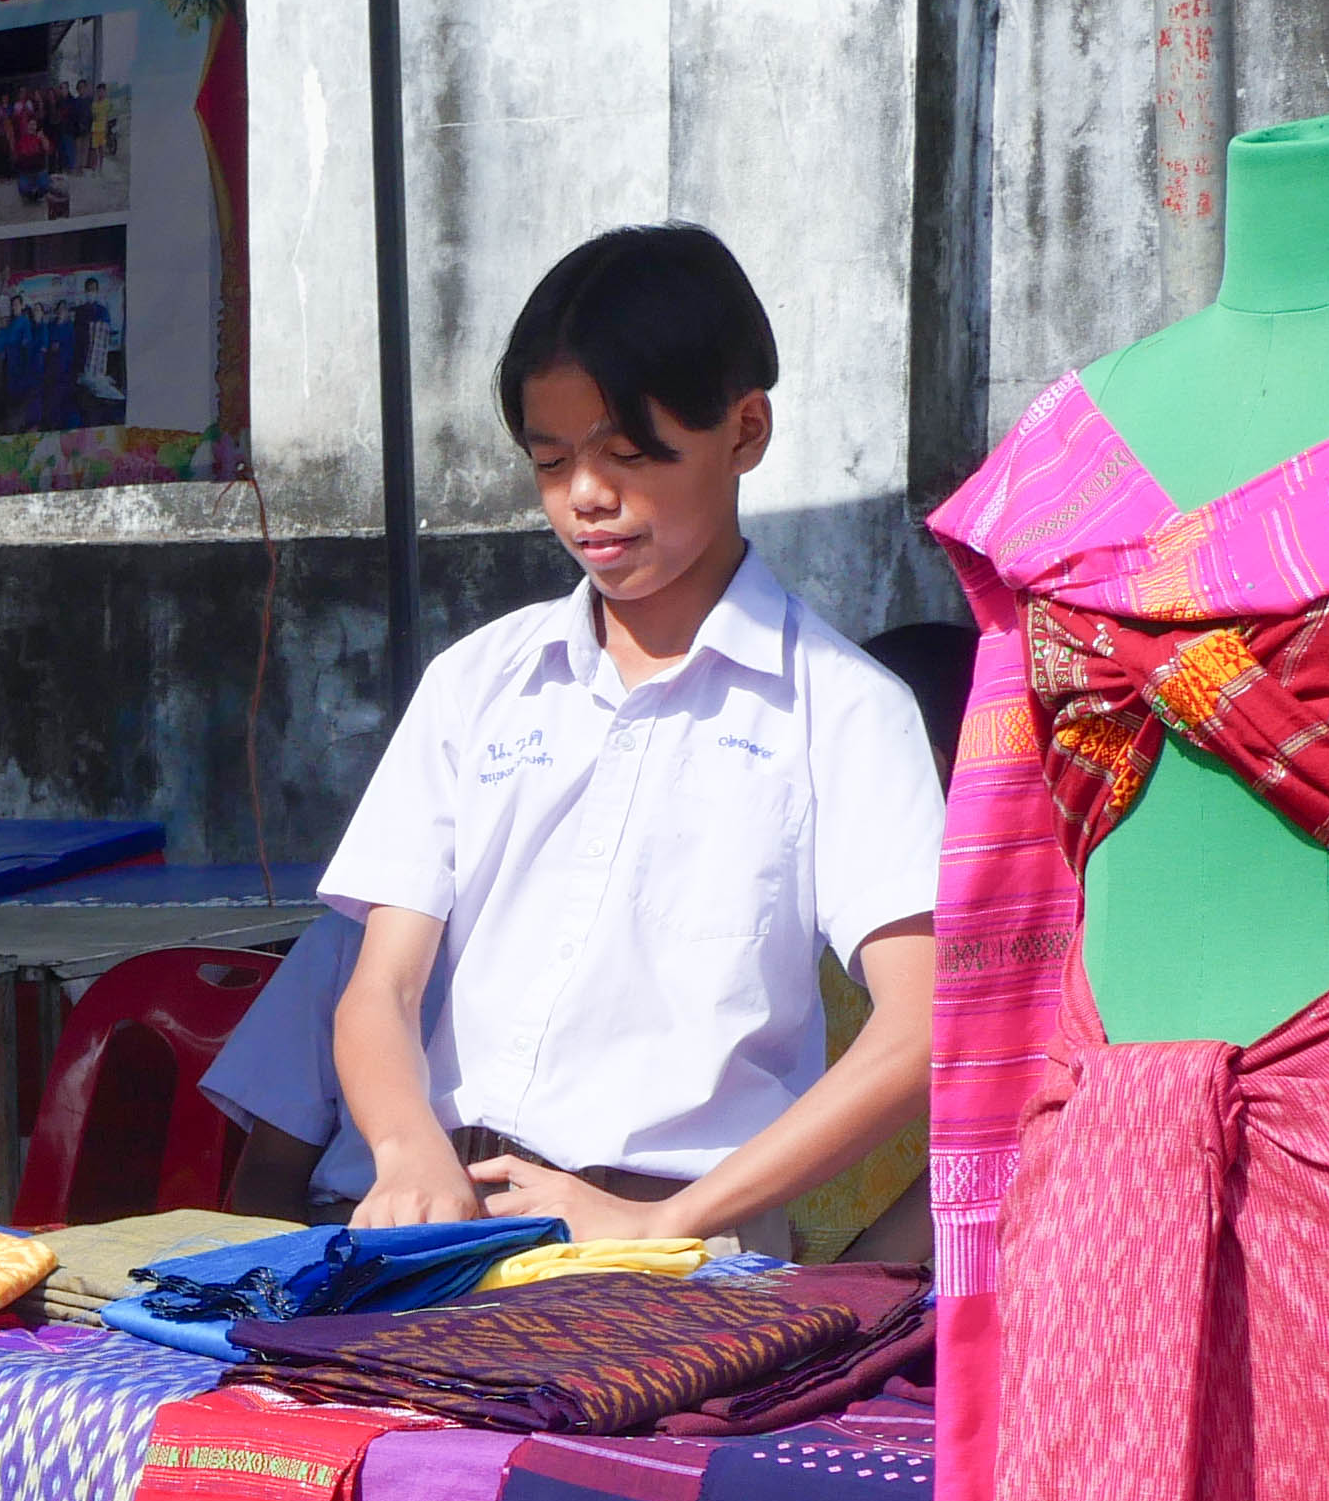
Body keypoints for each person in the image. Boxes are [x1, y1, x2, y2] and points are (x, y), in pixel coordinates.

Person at [325, 224, 941, 1253]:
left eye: (627, 453)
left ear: (746, 430)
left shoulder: (844, 709)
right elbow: (380, 988)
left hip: (688, 1251)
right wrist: (405, 1149)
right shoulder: (477, 683)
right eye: (551, 460)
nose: (586, 497)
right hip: (456, 1216)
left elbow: (920, 1026)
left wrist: (665, 1220)